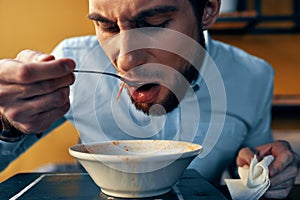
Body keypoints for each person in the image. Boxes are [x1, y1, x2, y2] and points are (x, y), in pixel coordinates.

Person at [0, 0, 298, 198]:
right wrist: (6, 124)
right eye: (107, 26)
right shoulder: (73, 62)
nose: (126, 60)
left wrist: (263, 168)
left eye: (154, 24)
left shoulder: (254, 76)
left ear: (207, 10)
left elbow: (248, 164)